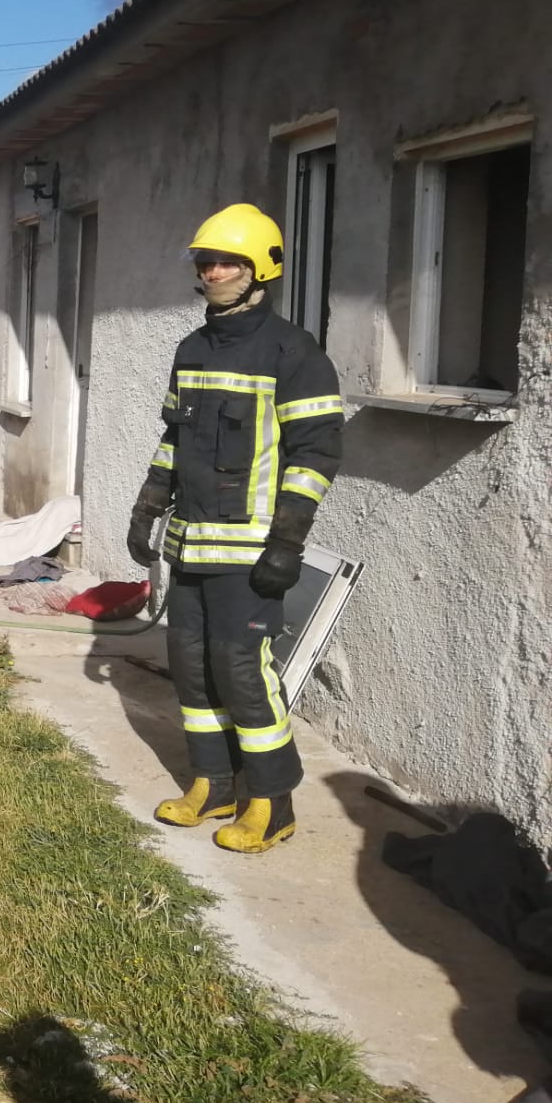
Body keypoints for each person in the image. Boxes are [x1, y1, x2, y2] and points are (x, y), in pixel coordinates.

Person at [127, 203, 343, 853]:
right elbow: (174, 438)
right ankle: (213, 783)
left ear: (260, 269)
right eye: (206, 261)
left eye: (227, 261)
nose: (213, 271)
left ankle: (270, 803)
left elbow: (316, 453)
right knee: (190, 669)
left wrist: (287, 542)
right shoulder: (190, 350)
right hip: (191, 543)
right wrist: (146, 506)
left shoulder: (293, 352)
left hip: (250, 551)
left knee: (242, 669)